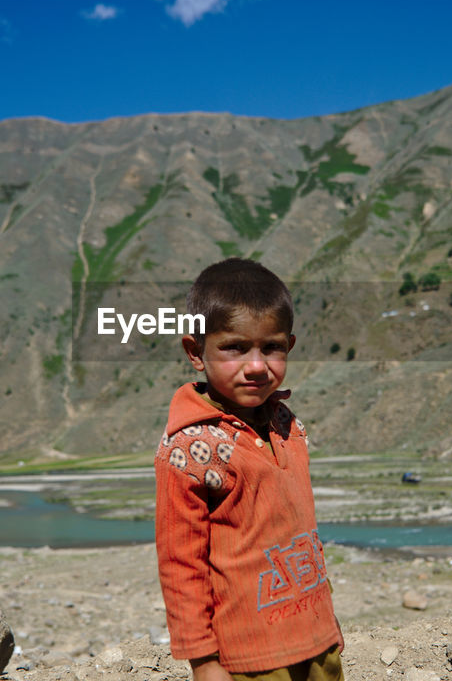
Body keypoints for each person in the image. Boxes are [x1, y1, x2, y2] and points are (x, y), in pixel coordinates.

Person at [154, 258, 343, 681]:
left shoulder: (286, 424)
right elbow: (181, 567)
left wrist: (328, 630)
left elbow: (302, 535)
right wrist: (204, 664)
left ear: (289, 346)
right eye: (235, 348)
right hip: (250, 659)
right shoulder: (188, 448)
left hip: (316, 643)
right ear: (195, 352)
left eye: (271, 347)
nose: (257, 365)